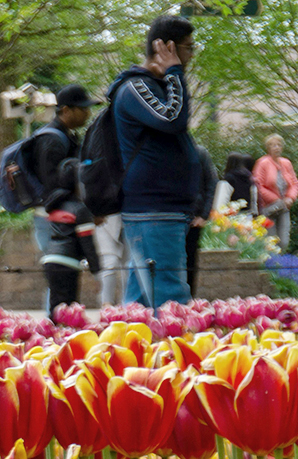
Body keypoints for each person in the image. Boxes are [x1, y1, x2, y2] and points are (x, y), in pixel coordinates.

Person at [108, 15, 201, 309]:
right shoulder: (136, 87)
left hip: (162, 208)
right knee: (168, 299)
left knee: (142, 301)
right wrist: (174, 72)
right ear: (169, 47)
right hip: (153, 209)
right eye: (189, 48)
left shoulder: (154, 86)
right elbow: (172, 118)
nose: (191, 56)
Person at [25, 85, 98, 316]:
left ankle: (59, 325)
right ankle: (54, 329)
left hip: (60, 215)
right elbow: (52, 188)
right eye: (82, 109)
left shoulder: (64, 136)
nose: (87, 114)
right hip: (50, 217)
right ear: (65, 110)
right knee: (58, 279)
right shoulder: (52, 140)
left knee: (62, 280)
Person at [254, 134, 298, 248]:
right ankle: (271, 264)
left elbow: (294, 183)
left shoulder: (286, 163)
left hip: (284, 207)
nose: (277, 148)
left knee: (284, 242)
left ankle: (281, 263)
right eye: (273, 145)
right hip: (269, 208)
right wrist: (276, 199)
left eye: (279, 145)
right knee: (271, 242)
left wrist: (290, 197)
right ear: (268, 148)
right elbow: (258, 186)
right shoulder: (262, 163)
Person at [187, 145, 216, 295]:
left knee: (190, 261)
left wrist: (204, 215)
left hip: (194, 218)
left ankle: (189, 301)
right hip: (172, 217)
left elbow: (211, 182)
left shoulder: (200, 152)